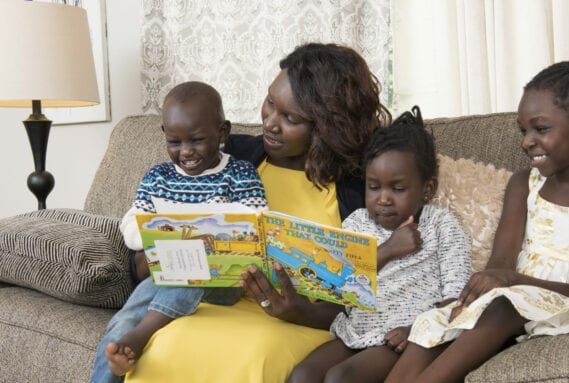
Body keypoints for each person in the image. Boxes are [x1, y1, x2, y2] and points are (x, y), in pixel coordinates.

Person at [124, 43, 391, 383]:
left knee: (251, 361)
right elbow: (151, 227)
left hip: (298, 322)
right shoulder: (231, 157)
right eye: (270, 102)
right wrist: (152, 258)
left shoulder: (358, 187)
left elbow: (372, 293)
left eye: (290, 118)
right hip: (219, 305)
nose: (270, 123)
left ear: (328, 126)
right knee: (164, 350)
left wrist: (303, 312)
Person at [385, 47, 569, 383]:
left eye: (540, 129)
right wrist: (468, 300)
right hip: (507, 298)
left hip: (561, 302)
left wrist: (510, 281)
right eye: (523, 131)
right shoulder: (523, 185)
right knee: (439, 320)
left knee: (504, 303)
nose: (527, 142)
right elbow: (500, 263)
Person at [90, 81, 268, 383]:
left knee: (193, 263)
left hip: (222, 281)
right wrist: (164, 237)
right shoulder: (158, 177)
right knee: (122, 323)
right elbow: (133, 224)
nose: (186, 152)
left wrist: (197, 236)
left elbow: (254, 224)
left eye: (197, 140)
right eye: (175, 142)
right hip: (167, 272)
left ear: (222, 132)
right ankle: (122, 349)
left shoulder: (239, 174)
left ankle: (141, 336)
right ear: (164, 135)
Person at [287, 106, 472, 383]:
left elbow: (457, 298)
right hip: (353, 332)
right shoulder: (357, 223)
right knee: (302, 376)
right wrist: (388, 250)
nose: (383, 199)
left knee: (341, 378)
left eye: (397, 189)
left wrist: (417, 330)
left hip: (401, 338)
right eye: (374, 187)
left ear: (427, 189)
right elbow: (337, 284)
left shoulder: (441, 225)